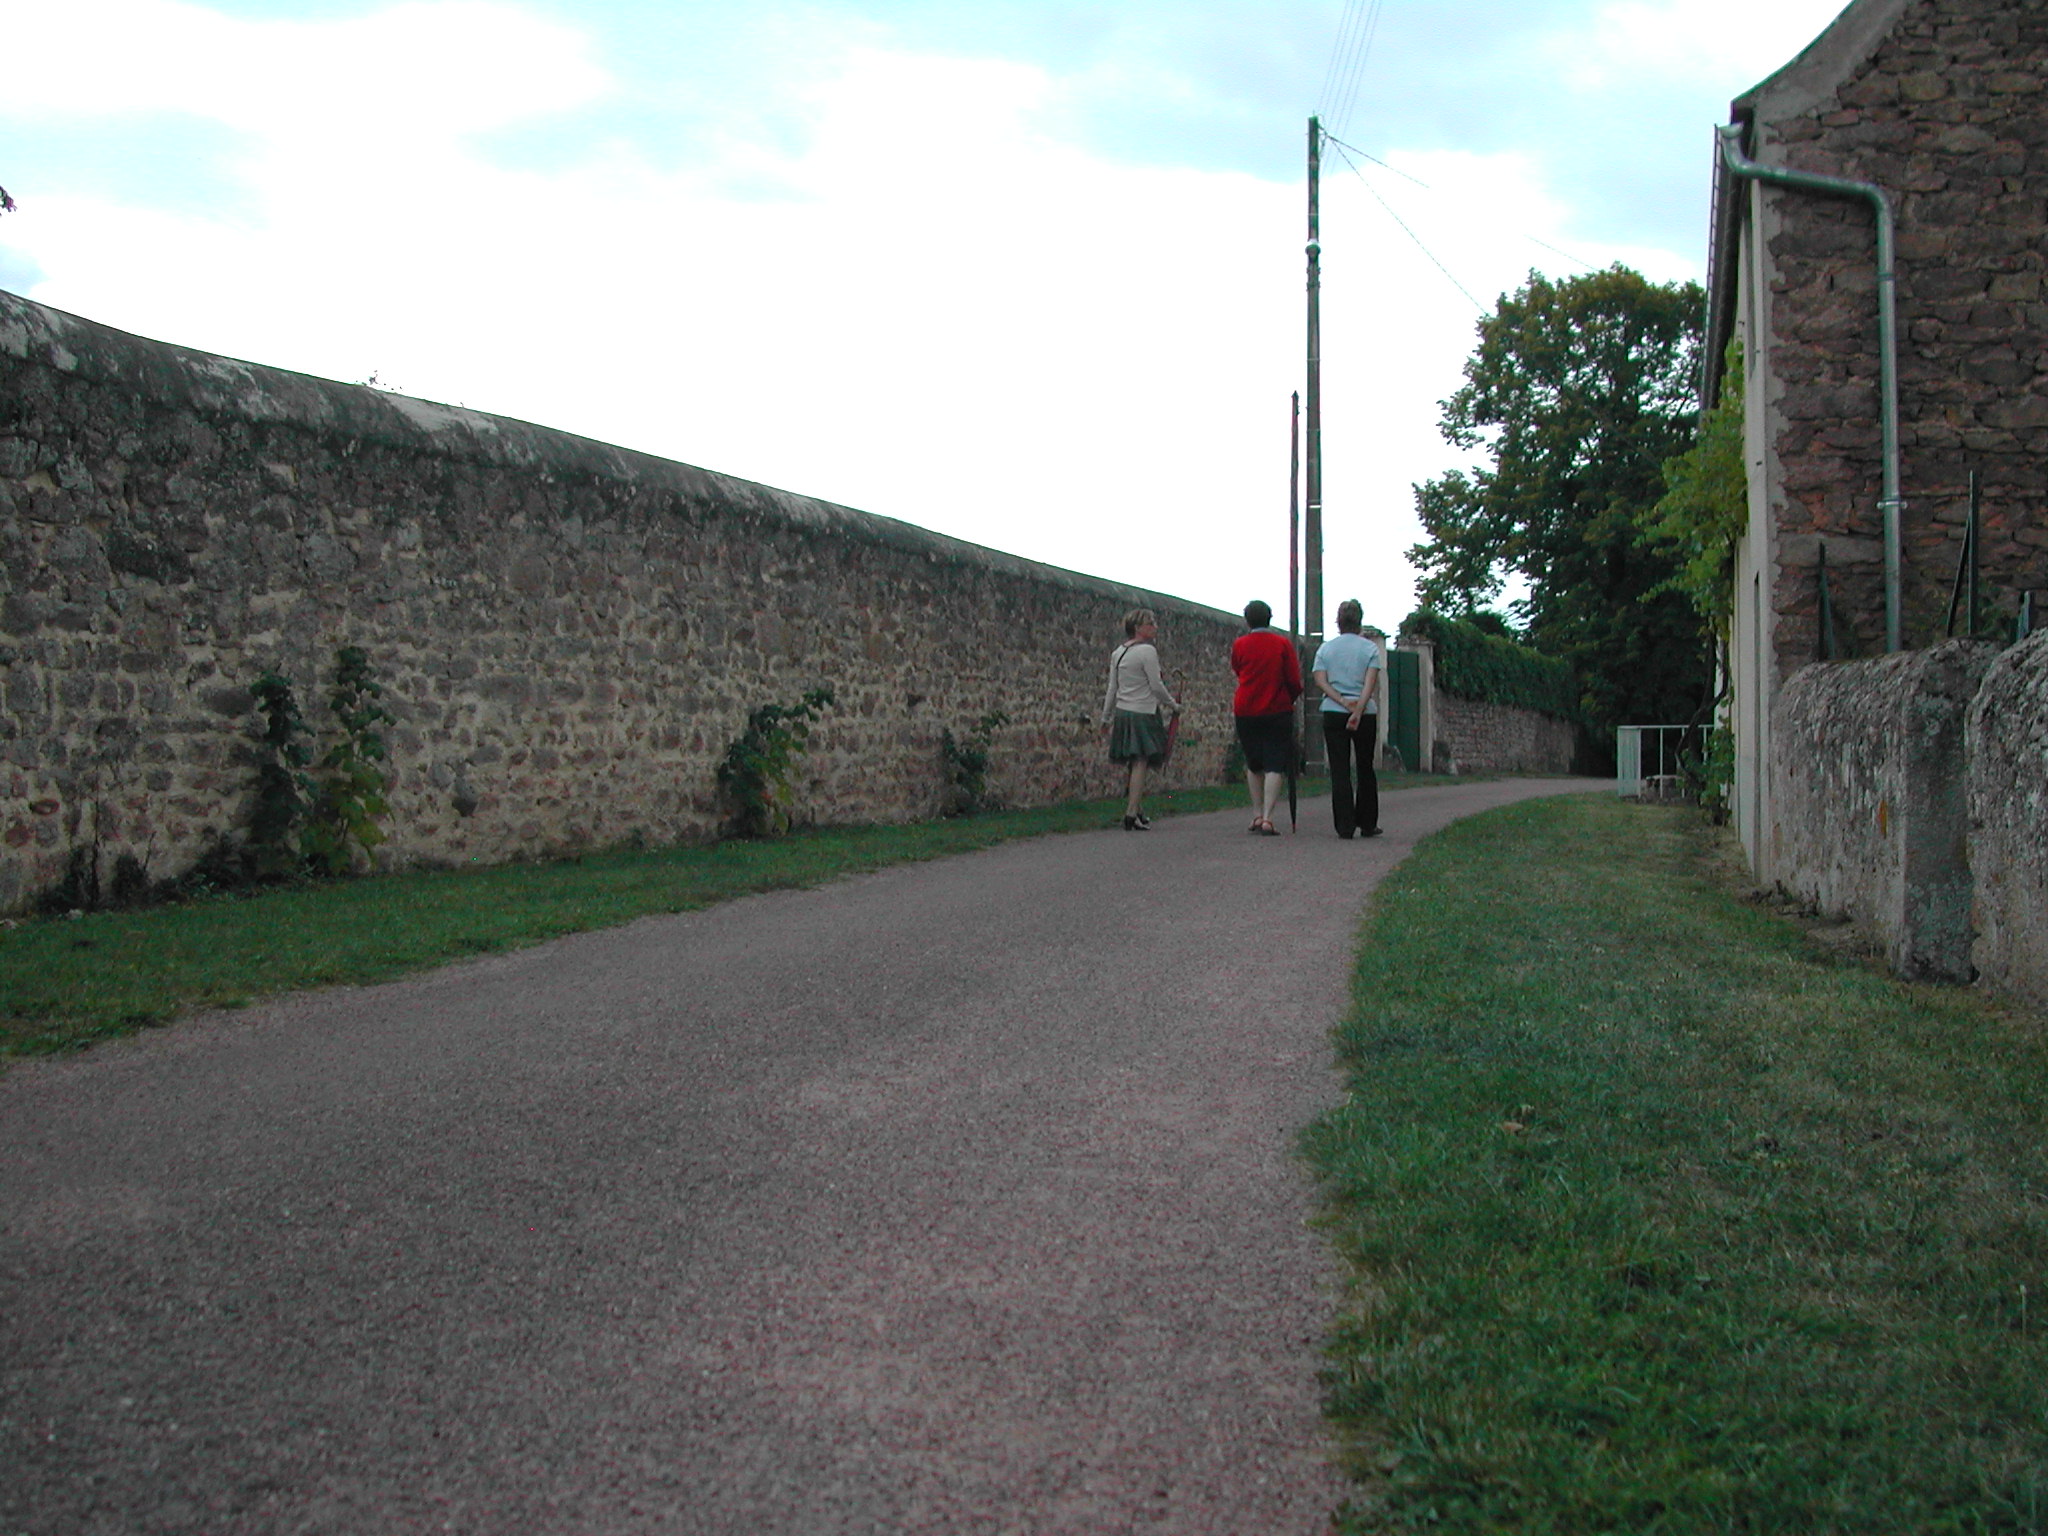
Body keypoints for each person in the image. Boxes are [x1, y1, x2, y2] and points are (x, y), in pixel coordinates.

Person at [1101, 608, 1178, 831]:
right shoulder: (1147, 651)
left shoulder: (1118, 653)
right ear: (1137, 628)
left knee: (1134, 764)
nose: (1155, 627)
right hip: (1143, 713)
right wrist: (1173, 705)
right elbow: (1156, 685)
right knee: (1141, 762)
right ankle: (1131, 813)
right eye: (1150, 623)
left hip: (1123, 712)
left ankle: (1137, 809)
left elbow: (1112, 688)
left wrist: (1106, 716)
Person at [1312, 599, 1384, 839]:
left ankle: (1344, 825)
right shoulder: (1370, 649)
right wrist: (1358, 710)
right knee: (1365, 767)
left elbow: (1320, 681)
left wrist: (1342, 702)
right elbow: (1370, 684)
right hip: (1365, 714)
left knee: (1339, 769)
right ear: (1359, 621)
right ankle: (1367, 822)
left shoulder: (1325, 649)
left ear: (1338, 622)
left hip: (1333, 711)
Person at [1230, 599, 1302, 836]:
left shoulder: (1240, 644)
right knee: (1274, 763)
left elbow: (1238, 670)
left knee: (1253, 763)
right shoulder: (1282, 644)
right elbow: (1293, 679)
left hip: (1246, 708)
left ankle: (1257, 813)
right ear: (1269, 618)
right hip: (1277, 708)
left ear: (1247, 620)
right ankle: (1268, 818)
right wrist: (1289, 698)